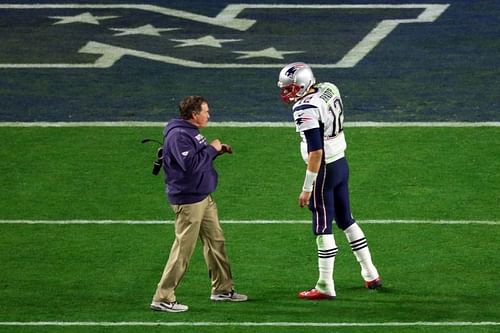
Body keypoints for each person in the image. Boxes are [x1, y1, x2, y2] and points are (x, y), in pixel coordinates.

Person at [277, 62, 382, 300]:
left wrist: (306, 188)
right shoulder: (329, 87)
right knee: (346, 218)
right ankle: (370, 273)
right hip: (341, 163)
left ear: (302, 84)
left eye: (290, 88)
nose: (287, 92)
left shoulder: (304, 108)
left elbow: (316, 152)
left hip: (323, 170)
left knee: (322, 225)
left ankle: (325, 284)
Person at [150, 95, 247, 312]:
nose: (208, 115)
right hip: (189, 201)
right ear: (194, 115)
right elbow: (190, 165)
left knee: (216, 242)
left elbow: (197, 160)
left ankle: (222, 289)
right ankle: (163, 297)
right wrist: (212, 149)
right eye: (206, 111)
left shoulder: (191, 132)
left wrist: (216, 151)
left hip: (203, 197)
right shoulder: (179, 136)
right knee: (183, 250)